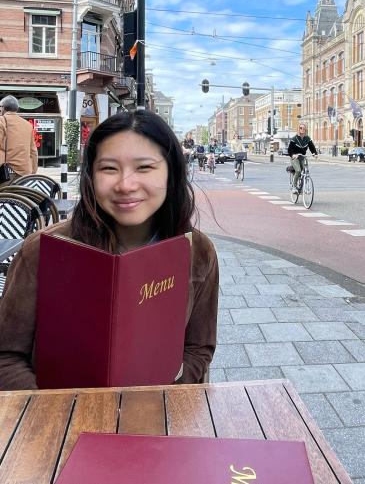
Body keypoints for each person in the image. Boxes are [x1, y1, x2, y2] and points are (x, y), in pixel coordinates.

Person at [0, 110, 219, 390]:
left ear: (171, 173)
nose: (125, 185)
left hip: (154, 416)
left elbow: (199, 348)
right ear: (91, 175)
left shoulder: (198, 252)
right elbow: (7, 357)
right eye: (109, 168)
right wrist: (61, 410)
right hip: (61, 421)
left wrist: (159, 394)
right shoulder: (42, 250)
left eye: (144, 168)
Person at [0, 95, 38, 185]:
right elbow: (33, 151)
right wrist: (33, 172)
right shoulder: (27, 124)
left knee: (4, 197)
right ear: (16, 109)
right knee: (18, 198)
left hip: (5, 172)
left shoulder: (1, 121)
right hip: (24, 174)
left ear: (3, 108)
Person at [287, 122, 317, 193]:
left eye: (304, 128)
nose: (302, 129)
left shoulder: (307, 138)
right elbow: (289, 149)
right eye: (301, 128)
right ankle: (294, 187)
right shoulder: (294, 139)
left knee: (305, 170)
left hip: (302, 157)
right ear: (298, 129)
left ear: (306, 129)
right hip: (295, 157)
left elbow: (312, 147)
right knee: (298, 171)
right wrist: (293, 155)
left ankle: (303, 186)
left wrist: (315, 153)